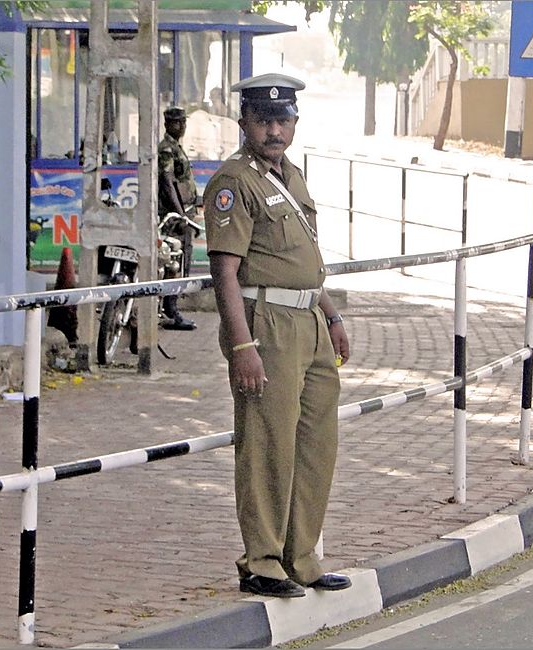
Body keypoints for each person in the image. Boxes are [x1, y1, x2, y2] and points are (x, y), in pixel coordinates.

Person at [202, 73, 352, 599]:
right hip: (266, 326)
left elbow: (301, 260)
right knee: (268, 445)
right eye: (263, 120)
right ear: (244, 122)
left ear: (294, 123)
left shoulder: (289, 174)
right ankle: (262, 561)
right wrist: (242, 345)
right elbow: (225, 272)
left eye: (282, 120)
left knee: (315, 445)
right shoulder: (233, 182)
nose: (273, 130)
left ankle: (301, 557)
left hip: (308, 321)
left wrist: (330, 315)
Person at [157, 105, 198, 331]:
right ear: (167, 124)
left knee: (182, 263)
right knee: (174, 262)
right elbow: (167, 181)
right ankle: (170, 311)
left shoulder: (176, 147)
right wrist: (180, 214)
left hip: (185, 212)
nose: (181, 126)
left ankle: (171, 308)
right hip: (174, 216)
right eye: (176, 122)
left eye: (183, 122)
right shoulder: (166, 149)